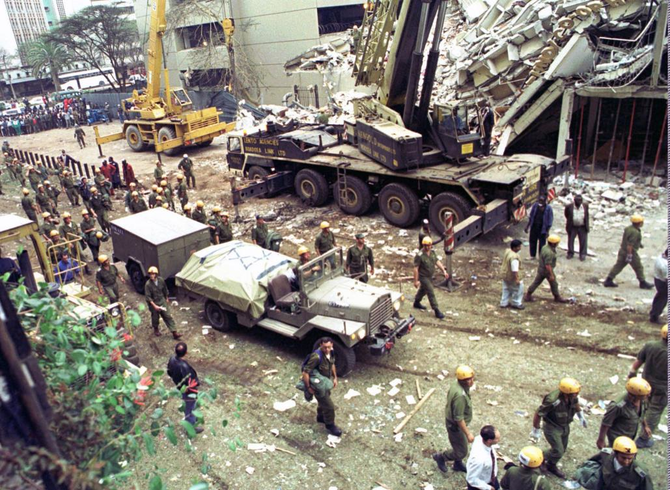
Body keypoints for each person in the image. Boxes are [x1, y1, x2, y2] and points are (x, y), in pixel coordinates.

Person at [530, 377, 587, 478]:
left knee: (562, 449)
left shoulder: (572, 397)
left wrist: (581, 416)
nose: (576, 395)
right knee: (558, 450)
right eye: (574, 393)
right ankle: (539, 457)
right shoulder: (553, 400)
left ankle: (551, 465)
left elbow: (576, 404)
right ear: (566, 393)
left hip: (564, 426)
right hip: (552, 427)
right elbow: (539, 413)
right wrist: (536, 429)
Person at [628, 325, 667, 448]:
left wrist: (632, 375)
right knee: (654, 411)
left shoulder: (650, 345)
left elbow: (637, 363)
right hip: (662, 388)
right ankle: (643, 439)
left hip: (644, 385)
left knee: (642, 405)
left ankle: (631, 427)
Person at [433, 366, 475, 474]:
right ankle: (441, 457)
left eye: (471, 378)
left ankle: (457, 464)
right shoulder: (460, 396)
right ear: (462, 381)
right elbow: (459, 419)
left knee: (460, 445)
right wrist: (468, 434)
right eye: (468, 380)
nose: (471, 381)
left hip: (455, 423)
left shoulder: (457, 384)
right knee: (462, 451)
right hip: (455, 426)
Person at [576, 437, 653, 490]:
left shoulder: (639, 472)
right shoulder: (606, 455)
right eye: (623, 458)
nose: (626, 461)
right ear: (615, 454)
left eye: (630, 458)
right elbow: (592, 462)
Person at [301, 337, 341, 436]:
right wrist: (309, 387)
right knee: (330, 407)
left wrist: (335, 377)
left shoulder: (331, 352)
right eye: (324, 347)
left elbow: (332, 364)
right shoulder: (316, 357)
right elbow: (305, 372)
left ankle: (320, 416)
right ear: (320, 346)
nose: (326, 350)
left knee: (324, 400)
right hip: (318, 386)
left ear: (332, 345)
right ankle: (330, 425)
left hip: (326, 383)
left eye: (328, 347)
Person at [597, 377, 651, 449]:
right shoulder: (617, 406)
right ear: (634, 395)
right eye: (645, 395)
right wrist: (601, 440)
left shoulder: (642, 400)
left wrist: (645, 426)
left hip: (630, 435)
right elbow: (605, 423)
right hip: (617, 437)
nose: (648, 396)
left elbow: (641, 413)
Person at [604, 215, 653, 289]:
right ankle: (642, 282)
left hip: (622, 251)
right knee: (638, 267)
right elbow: (630, 245)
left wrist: (639, 244)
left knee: (618, 266)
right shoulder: (635, 232)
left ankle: (608, 280)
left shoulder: (629, 228)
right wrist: (629, 255)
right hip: (630, 252)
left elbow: (628, 239)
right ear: (639, 223)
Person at [167, 342, 203, 434]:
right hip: (188, 391)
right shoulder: (184, 367)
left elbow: (169, 372)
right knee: (190, 408)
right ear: (186, 352)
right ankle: (190, 428)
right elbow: (190, 384)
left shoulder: (172, 359)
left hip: (180, 387)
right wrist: (194, 392)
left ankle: (191, 419)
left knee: (190, 406)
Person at [524, 235, 569, 303]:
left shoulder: (545, 247)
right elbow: (548, 265)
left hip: (541, 268)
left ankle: (528, 294)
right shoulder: (549, 253)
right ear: (554, 243)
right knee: (553, 284)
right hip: (546, 271)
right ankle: (557, 297)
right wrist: (551, 275)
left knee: (536, 282)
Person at [413, 237, 448, 319]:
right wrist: (416, 281)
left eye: (429, 245)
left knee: (423, 290)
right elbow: (415, 268)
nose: (427, 247)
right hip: (423, 277)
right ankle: (436, 310)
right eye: (425, 246)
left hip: (429, 276)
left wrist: (444, 271)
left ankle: (416, 302)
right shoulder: (420, 255)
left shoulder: (432, 253)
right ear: (423, 245)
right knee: (430, 291)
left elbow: (436, 261)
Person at [145, 266, 182, 339]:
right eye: (150, 274)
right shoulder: (148, 284)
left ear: (156, 274)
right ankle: (156, 328)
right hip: (153, 302)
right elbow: (148, 297)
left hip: (161, 300)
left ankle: (174, 332)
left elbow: (165, 289)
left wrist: (166, 297)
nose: (151, 275)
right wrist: (154, 306)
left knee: (167, 316)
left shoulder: (161, 280)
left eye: (153, 274)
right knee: (155, 317)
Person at [466, 425, 501, 490]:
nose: (499, 440)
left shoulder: (480, 438)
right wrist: (488, 488)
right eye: (497, 439)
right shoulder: (479, 459)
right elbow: (471, 478)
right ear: (489, 440)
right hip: (481, 483)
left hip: (491, 477)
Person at [500, 239, 524, 310]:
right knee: (518, 290)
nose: (520, 248)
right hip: (511, 276)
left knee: (506, 288)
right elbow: (515, 270)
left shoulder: (508, 252)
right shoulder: (514, 257)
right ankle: (516, 303)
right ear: (514, 248)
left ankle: (504, 302)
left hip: (505, 274)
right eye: (519, 247)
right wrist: (517, 279)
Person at [564, 194, 589, 261]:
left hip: (582, 226)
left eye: (580, 200)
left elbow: (586, 215)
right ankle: (570, 253)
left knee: (583, 241)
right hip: (573, 226)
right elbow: (566, 214)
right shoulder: (569, 206)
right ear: (574, 200)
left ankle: (582, 254)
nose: (579, 202)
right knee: (571, 240)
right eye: (577, 200)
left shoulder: (585, 206)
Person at [648, 249, 667, 323]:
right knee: (662, 299)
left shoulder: (660, 257)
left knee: (659, 296)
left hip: (658, 279)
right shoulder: (665, 266)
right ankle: (654, 317)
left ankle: (653, 313)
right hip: (663, 282)